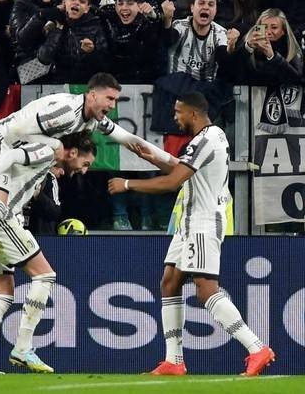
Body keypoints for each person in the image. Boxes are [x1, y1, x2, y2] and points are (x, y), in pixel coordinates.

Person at [0, 72, 175, 307]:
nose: (112, 105)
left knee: (8, 214)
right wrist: (54, 145)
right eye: (109, 98)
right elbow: (15, 131)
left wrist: (171, 161)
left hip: (13, 154)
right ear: (92, 95)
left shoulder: (92, 119)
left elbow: (128, 137)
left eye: (116, 100)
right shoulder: (67, 113)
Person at [107, 91, 275, 377]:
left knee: (205, 288)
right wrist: (153, 158)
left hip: (204, 221)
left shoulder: (205, 140)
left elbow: (174, 182)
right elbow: (183, 171)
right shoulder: (210, 137)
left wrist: (127, 184)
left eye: (178, 112)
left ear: (193, 114)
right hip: (189, 220)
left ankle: (256, 347)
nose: (175, 117)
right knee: (170, 282)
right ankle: (174, 360)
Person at [0, 130, 95, 374]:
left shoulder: (47, 168)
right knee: (45, 276)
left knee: (2, 294)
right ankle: (23, 347)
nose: (84, 170)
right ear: (72, 152)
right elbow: (10, 156)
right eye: (86, 163)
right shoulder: (46, 151)